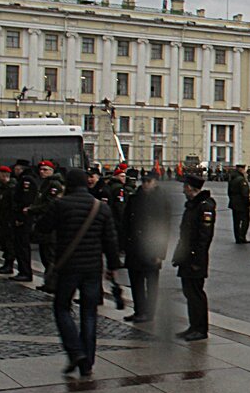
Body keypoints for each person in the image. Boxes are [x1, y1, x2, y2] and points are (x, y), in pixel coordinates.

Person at [36, 168, 121, 378]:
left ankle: (75, 351)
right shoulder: (100, 207)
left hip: (68, 266)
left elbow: (41, 228)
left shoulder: (60, 204)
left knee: (62, 308)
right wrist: (112, 267)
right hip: (93, 268)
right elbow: (111, 241)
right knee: (89, 313)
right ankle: (87, 362)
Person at [172, 173, 216, 341]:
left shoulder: (204, 207)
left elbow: (204, 237)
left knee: (196, 293)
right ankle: (193, 326)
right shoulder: (193, 205)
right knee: (189, 292)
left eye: (185, 187)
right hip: (187, 257)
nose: (183, 190)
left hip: (195, 259)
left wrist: (196, 259)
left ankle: (201, 328)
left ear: (190, 188)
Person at [123, 172, 172, 324]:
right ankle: (139, 310)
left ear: (155, 182)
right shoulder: (134, 198)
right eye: (143, 181)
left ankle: (149, 312)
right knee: (136, 282)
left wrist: (160, 253)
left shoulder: (162, 200)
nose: (145, 184)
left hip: (152, 248)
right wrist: (124, 245)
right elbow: (125, 223)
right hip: (135, 248)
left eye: (148, 181)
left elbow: (165, 228)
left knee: (151, 284)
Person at [30, 161, 65, 292]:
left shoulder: (54, 184)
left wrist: (32, 209)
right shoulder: (46, 183)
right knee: (45, 255)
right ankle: (48, 281)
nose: (42, 172)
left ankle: (52, 283)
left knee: (49, 256)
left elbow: (50, 204)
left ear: (52, 170)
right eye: (41, 169)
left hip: (51, 225)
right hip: (44, 224)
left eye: (45, 169)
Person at [10, 161, 39, 282]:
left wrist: (20, 218)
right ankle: (23, 270)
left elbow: (25, 201)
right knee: (20, 245)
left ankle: (25, 272)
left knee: (22, 245)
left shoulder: (26, 180)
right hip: (23, 217)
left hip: (23, 218)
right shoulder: (25, 178)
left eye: (16, 168)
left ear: (20, 169)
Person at [0, 165, 16, 275]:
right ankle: (6, 263)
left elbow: (12, 205)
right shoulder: (2, 187)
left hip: (9, 220)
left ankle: (9, 264)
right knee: (5, 242)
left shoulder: (11, 188)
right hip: (3, 219)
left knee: (9, 243)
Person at [228, 164, 250, 243]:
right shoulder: (241, 180)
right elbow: (245, 193)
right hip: (241, 204)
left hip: (234, 203)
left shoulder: (232, 178)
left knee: (236, 222)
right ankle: (242, 236)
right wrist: (248, 204)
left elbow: (229, 192)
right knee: (245, 220)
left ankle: (237, 238)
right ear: (241, 169)